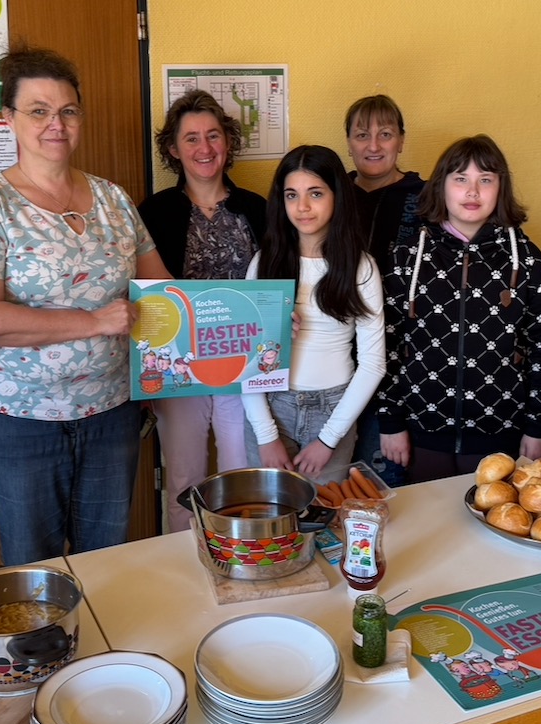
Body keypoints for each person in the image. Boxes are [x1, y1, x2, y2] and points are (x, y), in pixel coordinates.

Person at [0, 46, 170, 565]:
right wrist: (93, 322)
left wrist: (262, 320)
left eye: (68, 110)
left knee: (105, 559)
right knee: (34, 564)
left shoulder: (114, 200)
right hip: (20, 417)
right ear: (9, 118)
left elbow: (164, 292)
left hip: (111, 413)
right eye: (39, 110)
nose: (56, 124)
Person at [377, 134, 541, 483]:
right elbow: (386, 343)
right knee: (428, 514)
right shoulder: (406, 258)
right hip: (421, 432)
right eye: (461, 178)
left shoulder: (529, 261)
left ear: (501, 188)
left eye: (486, 180)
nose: (473, 192)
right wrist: (390, 421)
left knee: (494, 514)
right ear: (441, 186)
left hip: (502, 434)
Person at [138, 90, 266, 533]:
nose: (204, 148)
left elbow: (276, 283)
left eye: (213, 135)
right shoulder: (154, 211)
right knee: (184, 480)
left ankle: (239, 554)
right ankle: (185, 559)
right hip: (179, 372)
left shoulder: (258, 209)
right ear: (174, 150)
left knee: (241, 477)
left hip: (243, 367)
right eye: (191, 138)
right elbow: (145, 296)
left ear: (227, 142)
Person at [242, 145, 386, 481]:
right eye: (291, 195)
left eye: (316, 193)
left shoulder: (361, 267)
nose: (302, 207)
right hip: (271, 407)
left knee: (326, 512)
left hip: (334, 409)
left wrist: (328, 439)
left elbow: (373, 363)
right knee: (268, 511)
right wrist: (266, 435)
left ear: (337, 196)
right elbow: (246, 358)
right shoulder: (264, 263)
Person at [344, 95, 425, 487]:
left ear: (401, 140)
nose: (373, 145)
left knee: (378, 488)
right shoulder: (331, 195)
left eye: (385, 134)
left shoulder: (428, 199)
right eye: (362, 135)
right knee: (332, 484)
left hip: (400, 369)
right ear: (348, 143)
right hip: (337, 364)